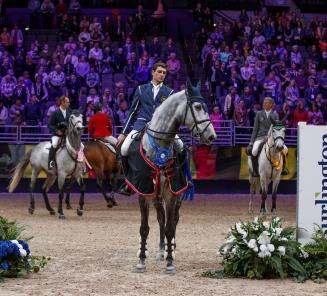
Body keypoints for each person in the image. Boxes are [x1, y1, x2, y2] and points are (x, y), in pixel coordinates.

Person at [116, 62, 181, 195]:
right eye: (159, 72)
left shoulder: (169, 92)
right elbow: (132, 112)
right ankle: (129, 182)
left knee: (181, 146)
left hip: (162, 127)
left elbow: (172, 114)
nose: (162, 74)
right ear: (153, 72)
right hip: (141, 123)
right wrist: (123, 133)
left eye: (164, 73)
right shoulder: (141, 89)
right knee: (124, 148)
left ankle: (180, 179)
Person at [247, 97, 288, 177]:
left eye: (267, 102)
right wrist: (251, 141)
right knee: (254, 150)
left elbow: (278, 128)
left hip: (272, 139)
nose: (264, 104)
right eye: (264, 102)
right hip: (260, 137)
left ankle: (283, 168)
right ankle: (255, 170)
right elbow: (255, 128)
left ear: (271, 105)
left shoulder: (275, 114)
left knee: (285, 149)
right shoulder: (259, 113)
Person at [47, 96, 71, 169]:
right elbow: (49, 125)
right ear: (63, 102)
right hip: (57, 135)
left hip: (67, 135)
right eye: (67, 102)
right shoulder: (55, 113)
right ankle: (50, 162)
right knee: (54, 144)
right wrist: (57, 131)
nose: (69, 103)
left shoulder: (69, 112)